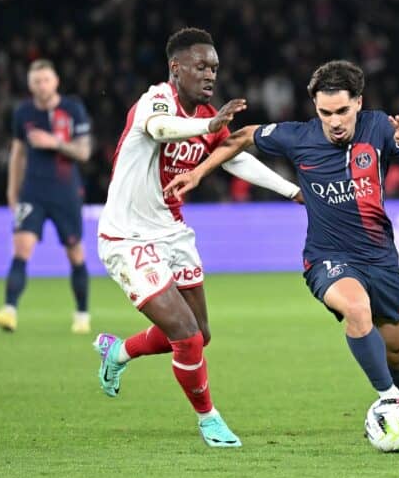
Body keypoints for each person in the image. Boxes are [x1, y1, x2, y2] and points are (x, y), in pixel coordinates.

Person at [165, 60, 399, 417]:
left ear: (358, 102)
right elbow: (244, 136)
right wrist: (198, 173)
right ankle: (391, 402)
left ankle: (396, 408)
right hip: (327, 257)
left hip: (381, 258)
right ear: (316, 107)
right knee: (357, 310)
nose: (335, 121)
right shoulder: (299, 137)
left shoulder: (379, 128)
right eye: (325, 112)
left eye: (342, 111)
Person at [93, 28, 301, 447]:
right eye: (201, 66)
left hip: (172, 233)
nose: (210, 74)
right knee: (186, 336)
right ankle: (209, 420)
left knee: (199, 335)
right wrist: (209, 123)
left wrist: (293, 191)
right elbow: (160, 129)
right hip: (127, 237)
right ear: (176, 67)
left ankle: (118, 352)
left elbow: (234, 159)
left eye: (215, 68)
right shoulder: (157, 101)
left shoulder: (206, 115)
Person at [0, 59, 93, 333]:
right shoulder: (23, 113)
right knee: (21, 248)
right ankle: (9, 311)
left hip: (65, 192)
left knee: (75, 253)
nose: (42, 85)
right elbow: (17, 153)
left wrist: (54, 142)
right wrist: (12, 190)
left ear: (56, 81)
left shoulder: (73, 109)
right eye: (36, 81)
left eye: (46, 80)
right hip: (32, 191)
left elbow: (84, 152)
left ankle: (82, 315)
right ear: (30, 85)